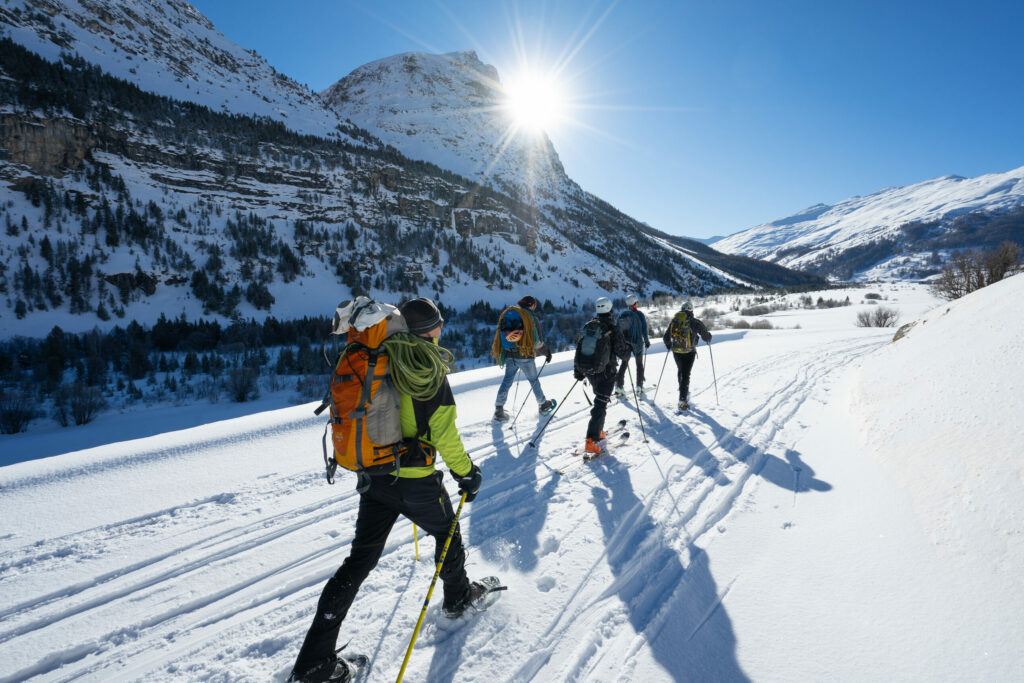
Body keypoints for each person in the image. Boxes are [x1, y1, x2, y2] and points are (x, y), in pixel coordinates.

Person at [289, 297, 487, 683]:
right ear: (433, 330)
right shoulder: (426, 368)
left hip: (375, 478)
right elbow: (445, 434)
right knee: (447, 533)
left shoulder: (376, 357)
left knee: (358, 562)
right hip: (416, 482)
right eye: (438, 325)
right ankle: (458, 597)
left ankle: (314, 663)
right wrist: (467, 474)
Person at [573, 296, 631, 455]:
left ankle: (598, 432)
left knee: (600, 401)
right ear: (610, 309)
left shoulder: (590, 326)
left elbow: (579, 348)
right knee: (600, 405)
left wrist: (578, 371)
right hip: (607, 373)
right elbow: (623, 353)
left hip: (591, 372)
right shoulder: (612, 328)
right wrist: (628, 349)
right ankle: (591, 441)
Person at [491, 295, 555, 421]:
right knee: (533, 380)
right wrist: (546, 352)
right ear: (531, 305)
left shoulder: (510, 313)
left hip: (510, 354)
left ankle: (499, 409)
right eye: (534, 305)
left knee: (507, 381)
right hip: (525, 355)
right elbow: (536, 341)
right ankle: (543, 405)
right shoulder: (529, 317)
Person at [662, 300, 712, 411]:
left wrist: (669, 346)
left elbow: (666, 338)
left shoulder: (675, 321)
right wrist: (709, 337)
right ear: (691, 310)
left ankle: (683, 391)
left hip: (676, 352)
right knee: (686, 375)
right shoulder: (694, 322)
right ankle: (682, 400)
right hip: (689, 352)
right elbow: (705, 336)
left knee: (681, 371)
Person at [614, 293, 651, 397]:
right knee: (639, 364)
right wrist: (647, 341)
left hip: (625, 343)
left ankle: (619, 386)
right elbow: (644, 330)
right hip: (637, 343)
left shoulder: (622, 315)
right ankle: (639, 386)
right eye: (637, 302)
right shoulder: (639, 314)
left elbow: (617, 330)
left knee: (624, 363)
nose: (638, 303)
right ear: (635, 303)